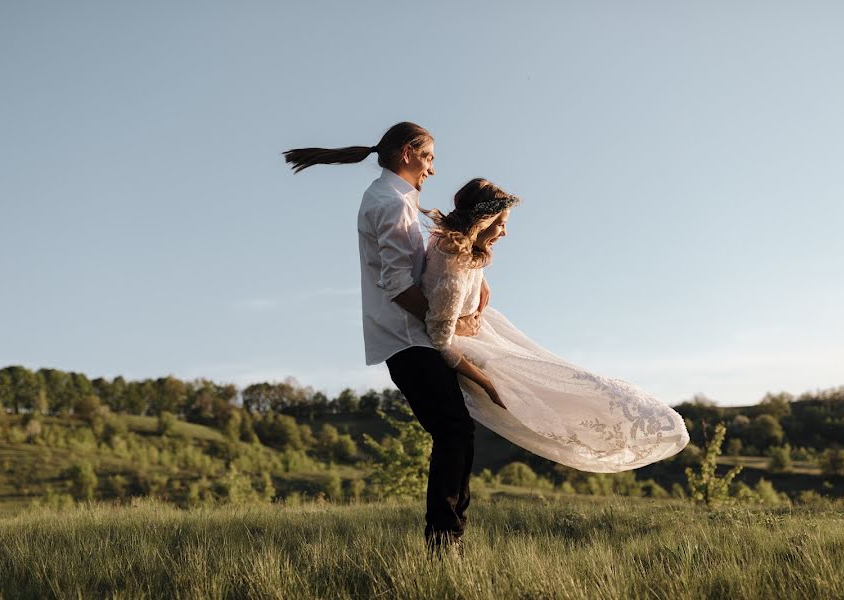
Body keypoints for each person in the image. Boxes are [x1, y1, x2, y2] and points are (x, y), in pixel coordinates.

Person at [283, 122, 483, 555]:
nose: (432, 167)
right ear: (408, 153)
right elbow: (396, 285)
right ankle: (445, 542)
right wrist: (440, 326)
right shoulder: (388, 204)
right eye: (428, 156)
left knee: (457, 431)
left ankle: (448, 538)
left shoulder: (401, 201)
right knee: (455, 430)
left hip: (414, 337)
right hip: (407, 339)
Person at [419, 179, 690, 474]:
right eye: (501, 223)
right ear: (483, 220)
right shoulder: (455, 263)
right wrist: (488, 384)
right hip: (476, 350)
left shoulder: (459, 244)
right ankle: (628, 431)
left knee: (568, 381)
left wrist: (479, 283)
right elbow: (441, 338)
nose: (505, 232)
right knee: (557, 394)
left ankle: (635, 424)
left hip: (488, 332)